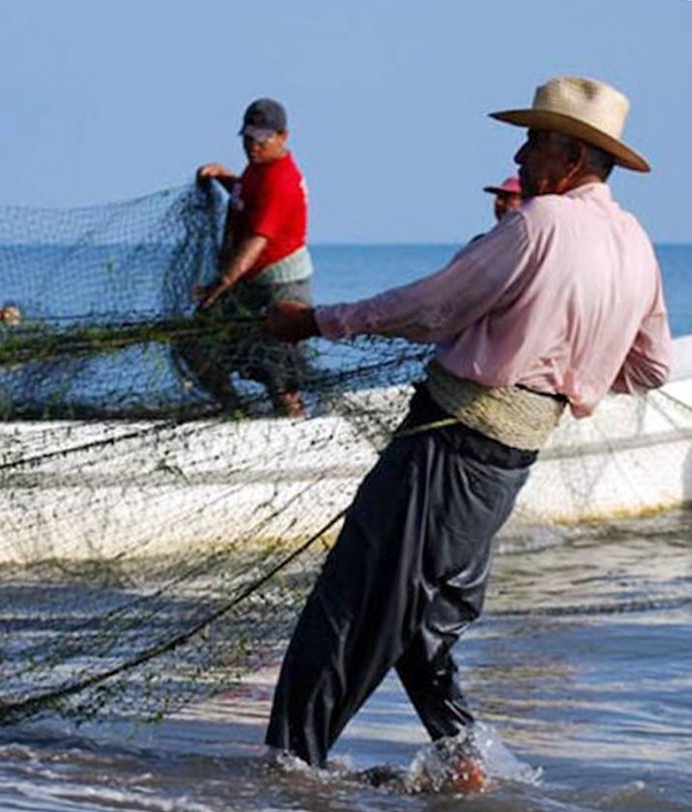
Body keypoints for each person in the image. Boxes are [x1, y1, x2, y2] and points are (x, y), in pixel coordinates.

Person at [259, 76, 672, 776]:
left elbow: (432, 308)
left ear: (570, 157)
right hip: (503, 464)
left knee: (352, 603)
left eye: (535, 140)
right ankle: (462, 760)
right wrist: (569, 378)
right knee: (423, 620)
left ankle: (287, 771)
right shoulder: (634, 242)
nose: (520, 153)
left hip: (446, 445)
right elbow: (652, 366)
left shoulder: (538, 224)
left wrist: (313, 321)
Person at [180, 97, 313, 416]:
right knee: (194, 343)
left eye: (262, 138)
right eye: (248, 137)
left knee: (278, 372)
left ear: (283, 137)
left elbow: (256, 241)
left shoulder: (280, 180)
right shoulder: (259, 168)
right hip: (251, 283)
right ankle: (236, 412)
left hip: (281, 287)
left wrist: (222, 282)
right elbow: (251, 197)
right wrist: (226, 177)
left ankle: (297, 428)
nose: (253, 145)